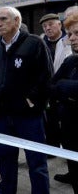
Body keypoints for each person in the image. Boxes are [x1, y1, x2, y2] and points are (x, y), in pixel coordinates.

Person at [0, 6, 53, 194]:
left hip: (28, 116)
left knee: (36, 161)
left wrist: (31, 101)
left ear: (17, 21)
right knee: (4, 158)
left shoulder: (34, 43)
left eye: (3, 19)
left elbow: (46, 77)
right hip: (2, 116)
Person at [49, 11, 78, 194]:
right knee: (72, 160)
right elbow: (51, 86)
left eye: (77, 33)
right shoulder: (71, 61)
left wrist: (64, 86)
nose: (72, 39)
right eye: (70, 34)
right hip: (69, 125)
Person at [39, 13, 72, 152]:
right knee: (49, 120)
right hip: (47, 88)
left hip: (64, 88)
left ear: (59, 25)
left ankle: (69, 148)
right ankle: (52, 148)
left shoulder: (69, 40)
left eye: (51, 24)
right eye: (45, 26)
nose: (47, 28)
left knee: (66, 121)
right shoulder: (40, 41)